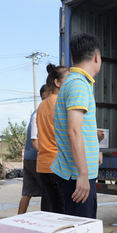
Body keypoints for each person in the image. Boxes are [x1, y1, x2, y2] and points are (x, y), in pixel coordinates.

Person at [51, 33, 103, 219]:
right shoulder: (78, 84)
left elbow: (83, 129)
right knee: (80, 232)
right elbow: (74, 131)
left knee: (85, 227)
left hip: (78, 173)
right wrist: (82, 174)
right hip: (76, 176)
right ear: (97, 57)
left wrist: (94, 150)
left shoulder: (76, 83)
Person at [36, 64, 69, 214]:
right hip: (59, 166)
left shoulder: (41, 106)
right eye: (68, 81)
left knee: (55, 210)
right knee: (66, 213)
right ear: (57, 82)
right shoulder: (62, 104)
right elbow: (71, 133)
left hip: (43, 165)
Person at [18, 85, 51, 214]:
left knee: (27, 193)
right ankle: (48, 219)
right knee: (48, 193)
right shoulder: (43, 113)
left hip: (28, 158)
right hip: (38, 158)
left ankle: (18, 219)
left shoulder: (35, 112)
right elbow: (36, 139)